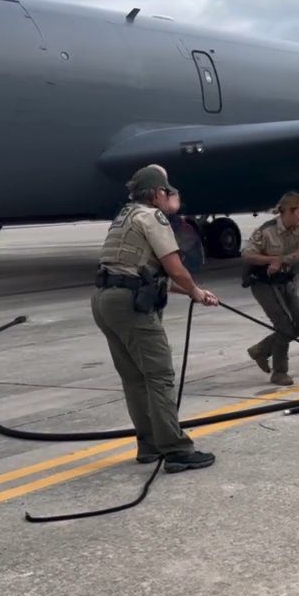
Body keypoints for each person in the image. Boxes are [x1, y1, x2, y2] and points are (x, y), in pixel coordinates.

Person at [92, 164, 220, 473]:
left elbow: (142, 274)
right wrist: (193, 288)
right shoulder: (152, 217)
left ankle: (148, 445)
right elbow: (174, 267)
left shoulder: (125, 216)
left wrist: (194, 292)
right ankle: (176, 450)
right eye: (167, 190)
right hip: (129, 305)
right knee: (159, 376)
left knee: (135, 379)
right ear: (158, 193)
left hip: (104, 300)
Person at [242, 191, 299, 386]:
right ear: (289, 212)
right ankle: (279, 372)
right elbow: (248, 255)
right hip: (264, 284)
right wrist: (271, 260)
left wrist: (282, 260)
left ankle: (261, 350)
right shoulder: (266, 231)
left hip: (286, 282)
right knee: (284, 326)